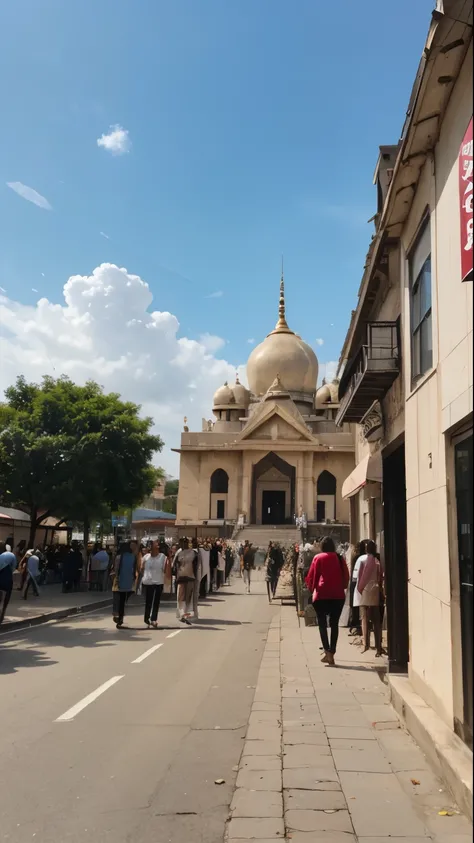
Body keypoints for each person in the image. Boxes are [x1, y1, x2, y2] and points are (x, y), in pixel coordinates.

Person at [305, 536, 349, 666]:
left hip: (321, 594)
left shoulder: (318, 558)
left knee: (322, 623)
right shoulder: (340, 558)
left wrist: (311, 589)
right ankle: (332, 652)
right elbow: (346, 576)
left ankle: (326, 650)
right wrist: (342, 586)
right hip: (337, 595)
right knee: (334, 623)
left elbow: (312, 576)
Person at [356, 540, 384, 656]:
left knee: (364, 619)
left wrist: (359, 590)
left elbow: (360, 578)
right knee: (377, 620)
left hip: (365, 591)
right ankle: (378, 646)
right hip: (375, 590)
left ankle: (365, 644)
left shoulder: (362, 560)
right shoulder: (377, 561)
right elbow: (380, 577)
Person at [141, 541, 169, 628]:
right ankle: (146, 618)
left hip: (158, 582)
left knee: (156, 602)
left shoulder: (162, 557)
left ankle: (153, 619)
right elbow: (141, 568)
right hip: (148, 582)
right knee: (148, 601)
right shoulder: (146, 557)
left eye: (155, 545)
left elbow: (165, 569)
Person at [112, 541, 139, 629]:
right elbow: (134, 569)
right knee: (123, 600)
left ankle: (117, 615)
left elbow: (116, 569)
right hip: (127, 582)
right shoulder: (133, 557)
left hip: (119, 581)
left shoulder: (119, 557)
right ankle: (121, 618)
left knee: (117, 599)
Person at [174, 539, 198, 624]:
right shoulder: (178, 553)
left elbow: (196, 565)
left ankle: (186, 614)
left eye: (185, 543)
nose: (184, 544)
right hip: (181, 578)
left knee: (188, 597)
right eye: (182, 543)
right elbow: (174, 565)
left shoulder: (193, 553)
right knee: (180, 597)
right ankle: (181, 614)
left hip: (190, 577)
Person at [349, 542, 364, 637]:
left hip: (355, 581)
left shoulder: (356, 557)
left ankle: (356, 625)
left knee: (354, 605)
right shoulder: (363, 557)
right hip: (362, 582)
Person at [0, 541, 17, 624]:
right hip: (8, 578)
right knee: (7, 595)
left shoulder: (1, 556)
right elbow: (14, 567)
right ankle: (3, 613)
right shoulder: (11, 555)